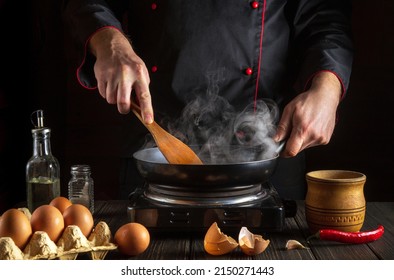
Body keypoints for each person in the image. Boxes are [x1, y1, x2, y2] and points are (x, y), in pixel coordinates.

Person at [61, 0, 353, 199]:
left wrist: (327, 89)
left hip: (268, 155)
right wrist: (109, 41)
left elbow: (325, 17)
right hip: (155, 149)